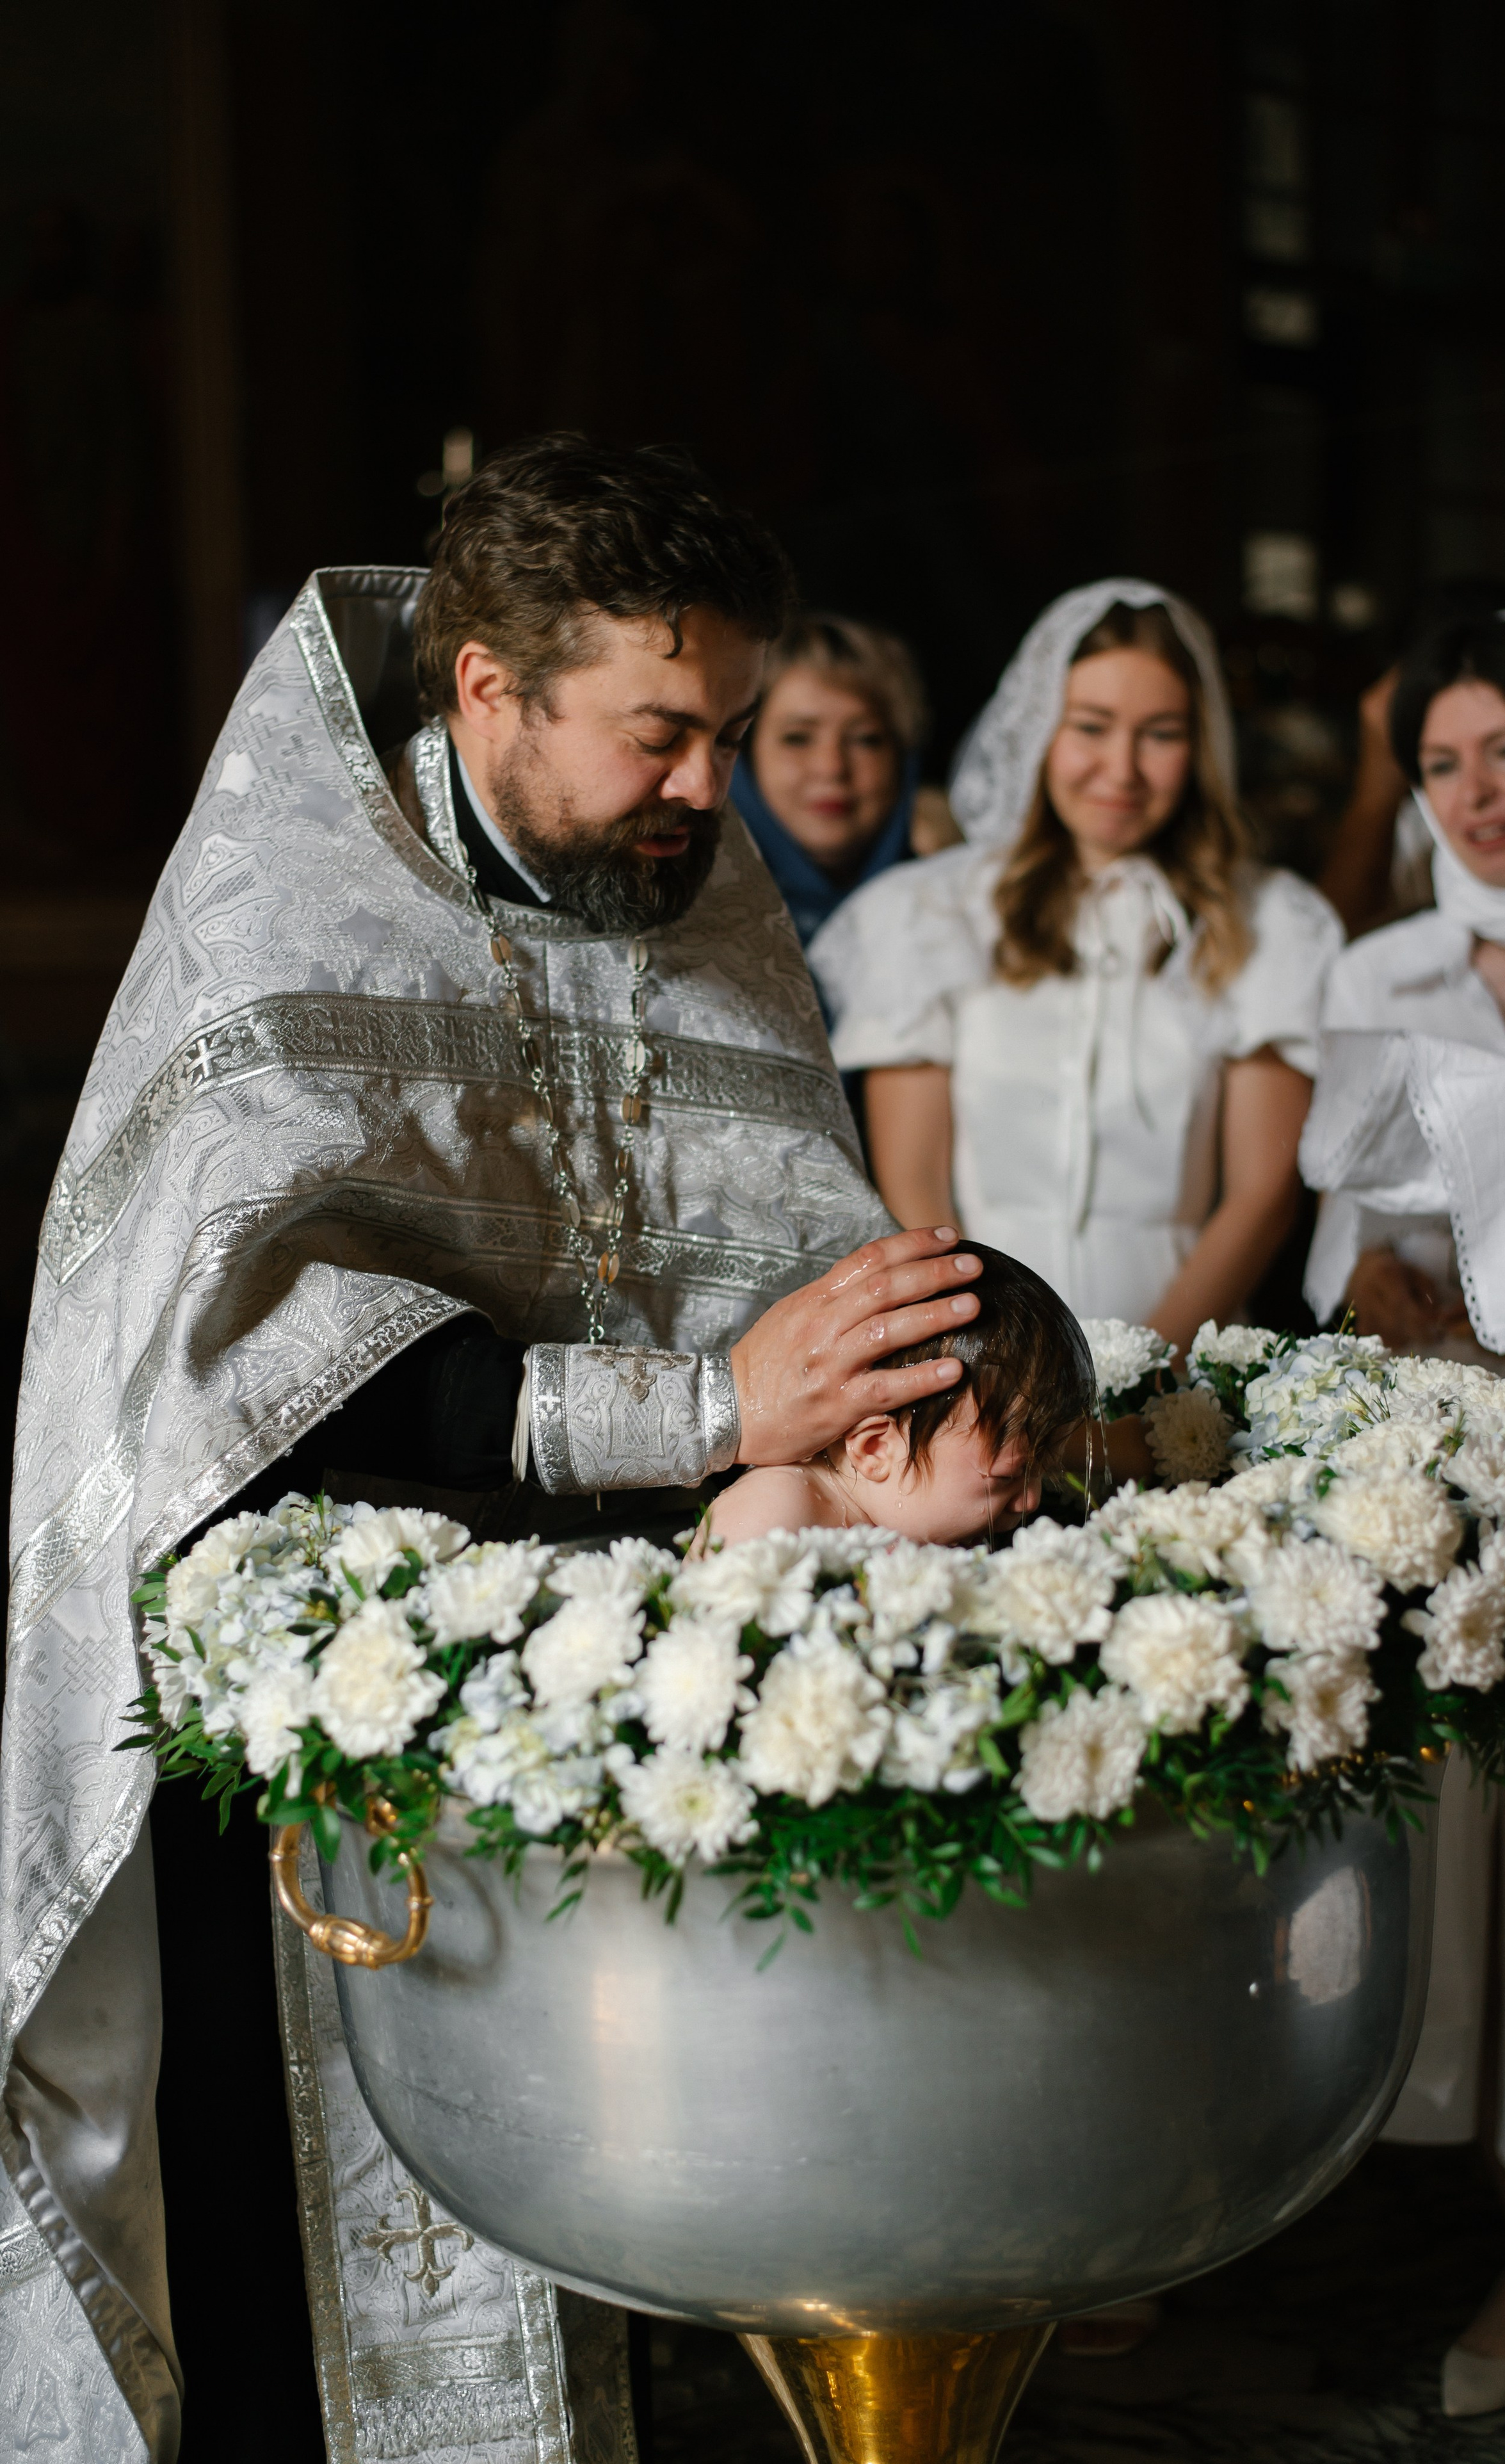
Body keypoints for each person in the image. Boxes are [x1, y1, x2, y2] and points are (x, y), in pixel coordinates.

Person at [0, 435, 994, 2463]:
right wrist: (709, 1412)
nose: (709, 788)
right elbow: (231, 1379)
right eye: (658, 731)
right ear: (485, 691)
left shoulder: (694, 897)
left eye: (722, 727)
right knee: (315, 2305)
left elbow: (789, 1250)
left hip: (632, 1669)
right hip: (315, 1675)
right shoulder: (289, 904)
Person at [1301, 608, 1505, 2415]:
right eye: (1441, 761)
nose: (1477, 793)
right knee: (1500, 1877)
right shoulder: (1386, 971)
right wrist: (1385, 1296)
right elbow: (1343, 1253)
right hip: (1473, 1490)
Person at [809, 580, 1343, 1353]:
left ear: (1201, 746)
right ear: (1039, 732)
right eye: (1090, 726)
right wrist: (996, 1367)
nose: (1121, 769)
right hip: (979, 1350)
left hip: (1185, 1355)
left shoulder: (1267, 921)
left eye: (1160, 733)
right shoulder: (928, 913)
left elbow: (1260, 1197)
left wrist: (1145, 1377)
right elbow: (914, 1186)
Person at [702, 1242, 1090, 1548]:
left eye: (1042, 1470)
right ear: (875, 1450)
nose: (1031, 1502)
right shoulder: (776, 1518)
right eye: (1008, 1476)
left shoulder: (916, 1517)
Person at [730, 610, 958, 955]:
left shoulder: (961, 908)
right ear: (746, 752)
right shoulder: (694, 913)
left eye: (865, 740)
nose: (832, 767)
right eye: (797, 739)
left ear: (902, 755)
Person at [1318, 576, 1505, 939]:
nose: (1474, 791)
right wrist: (1378, 782)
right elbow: (1330, 941)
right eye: (1444, 762)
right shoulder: (1414, 811)